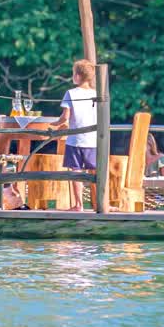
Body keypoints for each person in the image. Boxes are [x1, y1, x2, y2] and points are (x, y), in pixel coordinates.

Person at [51, 59, 97, 212]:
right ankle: (98, 203)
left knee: (76, 171)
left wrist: (55, 124)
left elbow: (65, 116)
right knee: (95, 172)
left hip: (75, 140)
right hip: (93, 139)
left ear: (77, 76)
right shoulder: (96, 94)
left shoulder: (70, 93)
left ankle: (79, 205)